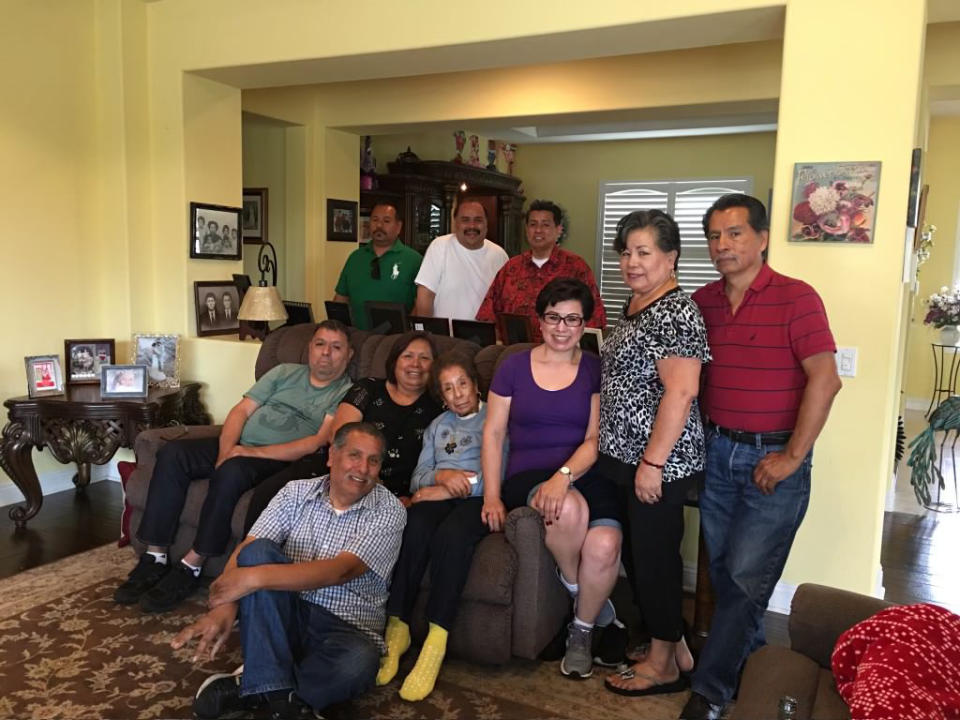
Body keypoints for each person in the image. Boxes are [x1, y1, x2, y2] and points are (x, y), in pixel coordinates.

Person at [680, 194, 841, 720]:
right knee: (730, 578)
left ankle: (709, 691)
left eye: (734, 234)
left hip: (773, 460)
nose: (722, 245)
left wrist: (793, 456)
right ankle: (756, 670)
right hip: (718, 453)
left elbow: (826, 378)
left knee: (748, 581)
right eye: (714, 236)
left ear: (763, 238)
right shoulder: (702, 302)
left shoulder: (797, 298)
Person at [114, 321, 354, 613]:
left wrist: (245, 452)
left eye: (336, 347)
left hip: (274, 458)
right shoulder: (283, 373)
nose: (326, 353)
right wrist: (226, 450)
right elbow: (240, 411)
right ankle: (155, 557)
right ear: (309, 348)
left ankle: (192, 565)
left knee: (233, 470)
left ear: (349, 355)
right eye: (320, 344)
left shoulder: (345, 393)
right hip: (238, 445)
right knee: (173, 453)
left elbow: (314, 443)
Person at [173, 422, 406, 720]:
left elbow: (342, 570)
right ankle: (286, 705)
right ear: (331, 456)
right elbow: (250, 546)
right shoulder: (295, 493)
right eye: (354, 455)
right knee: (257, 552)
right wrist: (225, 605)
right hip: (283, 615)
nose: (363, 468)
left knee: (359, 662)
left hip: (345, 629)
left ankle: (255, 686)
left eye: (373, 461)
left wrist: (253, 578)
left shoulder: (389, 510)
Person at [482, 277, 622, 680]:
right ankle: (590, 606)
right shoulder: (512, 366)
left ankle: (580, 629)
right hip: (527, 472)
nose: (562, 328)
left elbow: (595, 438)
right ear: (539, 321)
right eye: (554, 318)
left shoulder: (595, 368)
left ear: (585, 325)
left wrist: (564, 475)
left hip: (583, 469)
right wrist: (492, 495)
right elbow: (493, 433)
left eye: (572, 320)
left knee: (605, 544)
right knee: (569, 508)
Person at [598, 210, 710, 698]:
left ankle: (664, 665)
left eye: (644, 252)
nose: (631, 261)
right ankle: (675, 648)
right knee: (644, 560)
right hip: (628, 457)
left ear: (671, 257)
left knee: (656, 560)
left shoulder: (677, 311)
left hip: (658, 463)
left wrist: (653, 463)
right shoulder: (637, 302)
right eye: (626, 251)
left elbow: (681, 393)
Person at [377, 352, 498, 701]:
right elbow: (418, 478)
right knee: (414, 524)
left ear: (476, 385)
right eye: (448, 389)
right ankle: (397, 626)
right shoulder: (438, 425)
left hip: (477, 499)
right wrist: (442, 477)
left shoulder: (495, 416)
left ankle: (436, 637)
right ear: (441, 397)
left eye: (462, 384)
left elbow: (500, 473)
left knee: (452, 536)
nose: (457, 393)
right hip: (438, 495)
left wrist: (455, 486)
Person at [243, 331, 441, 528]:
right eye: (408, 356)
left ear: (435, 366)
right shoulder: (368, 388)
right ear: (394, 360)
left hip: (392, 491)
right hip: (336, 468)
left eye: (424, 358)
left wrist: (411, 495)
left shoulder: (439, 408)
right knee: (269, 492)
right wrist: (367, 476)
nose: (415, 364)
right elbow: (339, 434)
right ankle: (249, 554)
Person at [476, 199, 606, 341]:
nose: (538, 230)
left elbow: (595, 317)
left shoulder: (576, 267)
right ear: (526, 229)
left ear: (558, 230)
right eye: (533, 224)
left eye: (545, 225)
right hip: (514, 351)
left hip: (561, 352)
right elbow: (487, 313)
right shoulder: (511, 268)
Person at [413, 198, 508, 320]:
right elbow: (424, 298)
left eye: (478, 220)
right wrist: (425, 333)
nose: (472, 226)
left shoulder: (499, 255)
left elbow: (504, 303)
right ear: (455, 223)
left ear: (486, 224)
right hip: (444, 337)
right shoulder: (440, 247)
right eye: (465, 220)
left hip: (484, 337)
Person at [333, 202, 422, 330]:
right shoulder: (355, 258)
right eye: (375, 220)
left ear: (398, 227)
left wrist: (409, 333)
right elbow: (341, 299)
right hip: (357, 338)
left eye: (386, 221)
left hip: (396, 341)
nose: (379, 225)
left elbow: (420, 304)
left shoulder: (414, 260)